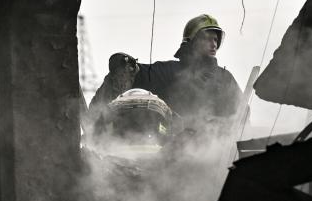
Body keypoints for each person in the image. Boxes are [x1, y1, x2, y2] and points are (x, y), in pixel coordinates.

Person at [87, 14, 244, 138]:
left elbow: (242, 114)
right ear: (192, 41)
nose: (214, 44)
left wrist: (223, 129)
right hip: (172, 152)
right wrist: (126, 65)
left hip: (215, 153)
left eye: (216, 39)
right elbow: (139, 74)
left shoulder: (225, 78)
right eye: (207, 38)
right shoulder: (170, 71)